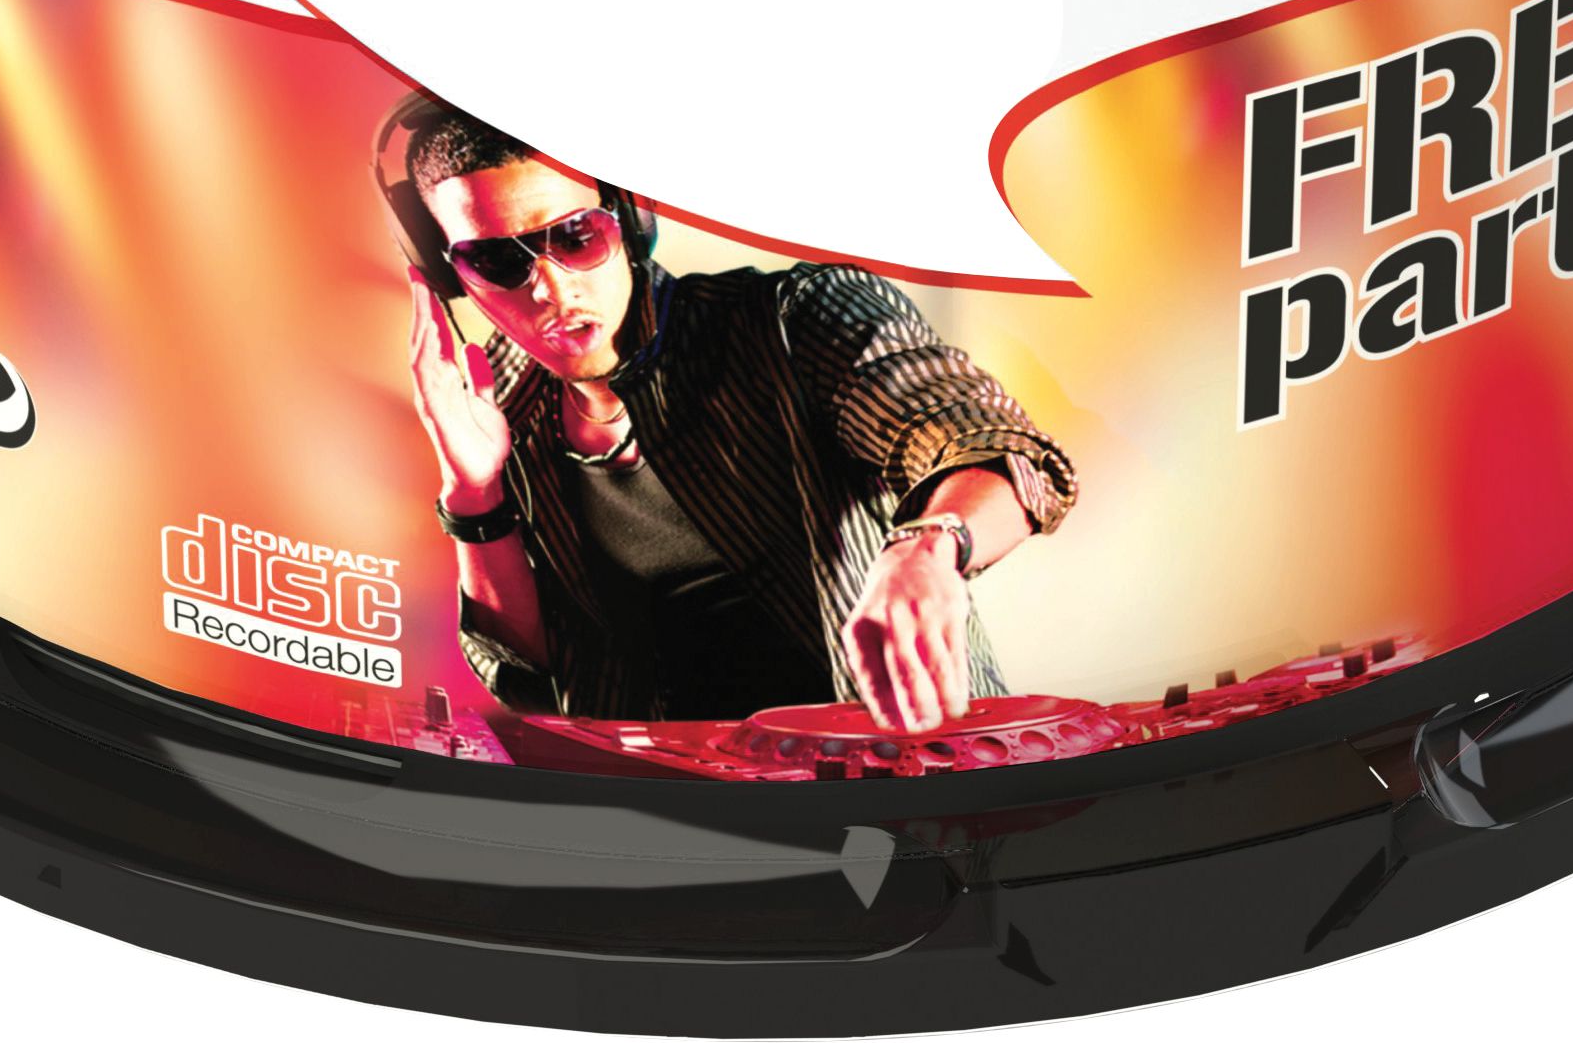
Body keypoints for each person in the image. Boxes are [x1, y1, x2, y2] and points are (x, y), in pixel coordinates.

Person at [391, 105, 1077, 733]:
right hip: (662, 793)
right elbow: (535, 673)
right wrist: (474, 493)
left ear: (628, 217)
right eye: (495, 260)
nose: (548, 287)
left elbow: (995, 448)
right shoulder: (493, 404)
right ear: (449, 274)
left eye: (575, 236)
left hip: (892, 771)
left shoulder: (796, 321)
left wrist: (930, 549)